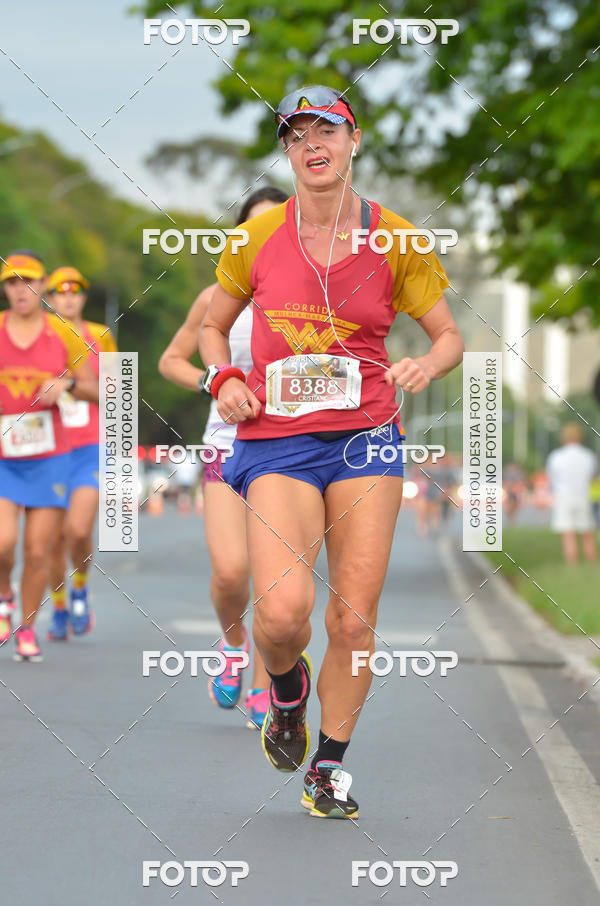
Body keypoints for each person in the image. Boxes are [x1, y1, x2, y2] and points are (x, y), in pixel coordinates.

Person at [200, 86, 464, 818]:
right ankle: (286, 693)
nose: (312, 142)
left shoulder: (398, 239)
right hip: (277, 442)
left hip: (366, 439)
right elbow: (212, 329)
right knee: (284, 614)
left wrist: (426, 366)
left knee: (353, 617)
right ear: (287, 152)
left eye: (327, 128)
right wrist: (223, 377)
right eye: (296, 133)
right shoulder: (255, 240)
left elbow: (448, 335)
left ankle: (329, 765)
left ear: (353, 140)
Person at [159, 187, 287, 729]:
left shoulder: (317, 296)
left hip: (290, 448)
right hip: (226, 442)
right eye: (253, 228)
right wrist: (214, 383)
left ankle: (264, 681)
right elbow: (171, 361)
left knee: (275, 578)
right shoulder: (218, 296)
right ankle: (234, 646)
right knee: (232, 570)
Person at [0, 251, 98, 660]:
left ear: (41, 286)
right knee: (4, 542)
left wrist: (67, 387)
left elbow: (102, 389)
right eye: (11, 281)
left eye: (29, 280)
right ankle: (5, 596)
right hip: (5, 454)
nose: (20, 289)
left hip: (56, 453)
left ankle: (29, 625)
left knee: (42, 548)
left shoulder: (67, 335)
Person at [45, 267, 117, 639]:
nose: (68, 299)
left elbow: (114, 390)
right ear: (50, 298)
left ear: (83, 297)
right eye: (60, 293)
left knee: (77, 530)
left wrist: (70, 384)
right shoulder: (39, 337)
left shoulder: (100, 335)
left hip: (90, 444)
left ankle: (80, 587)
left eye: (75, 292)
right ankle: (58, 606)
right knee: (51, 538)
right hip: (48, 448)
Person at [546, 422, 597, 564]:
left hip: (564, 496)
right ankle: (592, 562)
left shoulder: (556, 456)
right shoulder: (588, 456)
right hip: (583, 496)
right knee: (587, 533)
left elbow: (552, 478)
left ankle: (572, 565)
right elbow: (591, 476)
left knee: (568, 534)